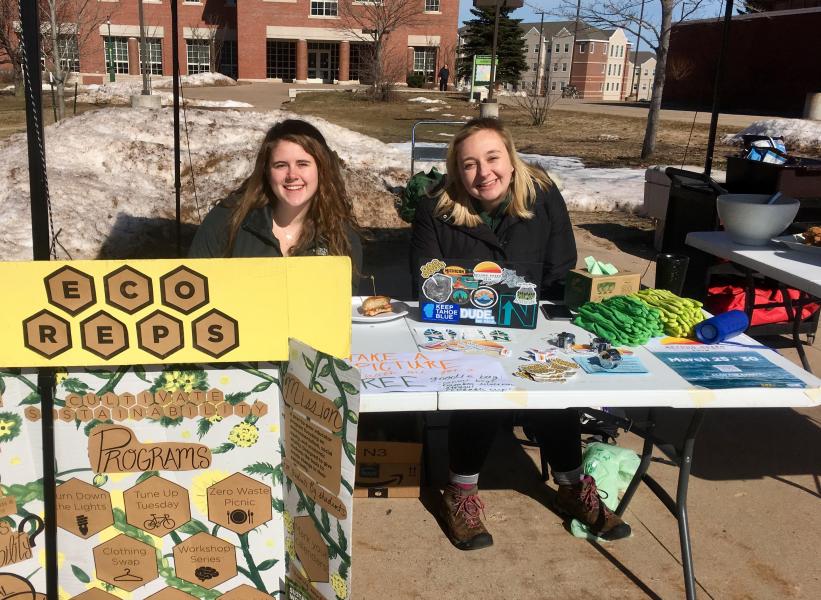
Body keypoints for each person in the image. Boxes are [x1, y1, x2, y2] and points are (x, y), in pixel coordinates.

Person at [410, 117, 630, 550]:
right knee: (482, 386)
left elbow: (559, 271)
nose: (483, 173)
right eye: (469, 164)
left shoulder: (543, 196)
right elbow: (426, 279)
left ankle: (570, 486)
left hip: (533, 324)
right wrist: (478, 302)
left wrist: (533, 332)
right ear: (457, 170)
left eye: (492, 158)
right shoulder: (435, 206)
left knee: (552, 382)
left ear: (510, 160)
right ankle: (461, 491)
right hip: (464, 327)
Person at [189, 119, 362, 288]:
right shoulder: (227, 219)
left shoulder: (340, 234)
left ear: (321, 169)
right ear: (266, 171)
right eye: (280, 165)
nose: (292, 175)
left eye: (303, 164)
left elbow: (342, 308)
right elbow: (194, 289)